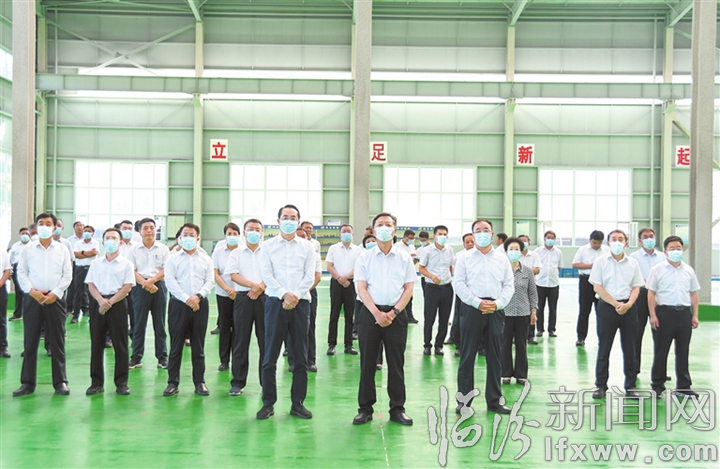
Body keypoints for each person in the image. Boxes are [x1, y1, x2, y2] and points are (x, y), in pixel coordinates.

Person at [353, 212, 416, 426]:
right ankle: (365, 409)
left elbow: (408, 289)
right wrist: (377, 313)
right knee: (367, 363)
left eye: (388, 224)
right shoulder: (364, 257)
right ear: (373, 230)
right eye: (380, 224)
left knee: (396, 363)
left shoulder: (404, 258)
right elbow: (361, 288)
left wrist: (394, 312)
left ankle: (397, 409)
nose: (384, 228)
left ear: (395, 230)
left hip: (396, 315)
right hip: (370, 313)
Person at [256, 205, 315, 420]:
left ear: (298, 222)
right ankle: (268, 403)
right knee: (270, 355)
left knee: (300, 356)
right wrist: (284, 295)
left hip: (301, 303)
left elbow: (310, 275)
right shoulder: (267, 246)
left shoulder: (308, 247)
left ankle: (297, 403)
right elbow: (266, 274)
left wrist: (295, 296)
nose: (289, 220)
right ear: (278, 220)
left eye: (293, 218)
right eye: (285, 217)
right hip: (275, 303)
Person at [453, 219, 514, 414]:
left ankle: (495, 401)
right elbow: (459, 284)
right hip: (472, 309)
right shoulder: (464, 258)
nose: (482, 233)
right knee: (467, 356)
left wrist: (497, 304)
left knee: (495, 357)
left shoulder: (502, 259)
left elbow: (509, 285)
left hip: (495, 309)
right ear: (472, 235)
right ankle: (464, 402)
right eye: (478, 230)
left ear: (492, 234)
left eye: (485, 230)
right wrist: (477, 302)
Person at [13, 213, 73, 397]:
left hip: (55, 299)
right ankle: (27, 383)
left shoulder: (62, 249)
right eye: (41, 223)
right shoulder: (28, 249)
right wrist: (32, 292)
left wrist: (56, 293)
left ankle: (60, 382)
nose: (45, 226)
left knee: (57, 341)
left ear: (54, 228)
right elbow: (21, 273)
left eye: (48, 223)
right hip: (33, 298)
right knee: (30, 341)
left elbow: (67, 275)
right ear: (36, 227)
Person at [589, 229, 644, 399]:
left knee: (630, 348)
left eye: (621, 239)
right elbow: (597, 287)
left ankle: (630, 386)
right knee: (604, 347)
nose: (617, 242)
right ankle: (600, 385)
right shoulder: (600, 262)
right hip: (607, 307)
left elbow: (636, 287)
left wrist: (628, 304)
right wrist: (615, 303)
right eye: (614, 239)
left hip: (629, 307)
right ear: (608, 243)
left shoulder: (633, 263)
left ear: (626, 243)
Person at [163, 223, 214, 397]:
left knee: (198, 345)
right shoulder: (172, 259)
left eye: (192, 235)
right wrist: (187, 299)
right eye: (185, 234)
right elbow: (170, 282)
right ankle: (172, 382)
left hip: (200, 304)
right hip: (178, 305)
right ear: (180, 238)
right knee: (176, 345)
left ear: (197, 238)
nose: (188, 238)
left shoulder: (206, 259)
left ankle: (200, 382)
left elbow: (210, 281)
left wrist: (198, 296)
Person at [647, 236, 700, 398]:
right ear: (665, 252)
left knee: (683, 351)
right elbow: (651, 293)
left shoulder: (689, 270)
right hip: (664, 314)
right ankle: (657, 385)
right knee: (661, 351)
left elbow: (693, 293)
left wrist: (695, 315)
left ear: (683, 250)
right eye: (672, 248)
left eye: (678, 248)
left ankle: (683, 386)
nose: (675, 251)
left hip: (684, 314)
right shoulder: (657, 270)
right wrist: (653, 315)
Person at [84, 228, 135, 396]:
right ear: (103, 241)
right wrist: (100, 301)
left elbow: (127, 287)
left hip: (118, 304)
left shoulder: (126, 264)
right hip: (98, 304)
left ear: (120, 242)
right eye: (107, 238)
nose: (111, 241)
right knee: (96, 344)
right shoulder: (96, 263)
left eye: (114, 238)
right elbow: (91, 284)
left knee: (120, 345)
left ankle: (121, 383)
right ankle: (96, 383)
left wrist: (110, 302)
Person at [225, 219, 266, 396]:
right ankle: (238, 382)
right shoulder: (237, 253)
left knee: (266, 341)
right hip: (243, 298)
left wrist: (260, 288)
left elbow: (274, 272)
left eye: (257, 229)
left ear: (262, 233)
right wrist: (252, 286)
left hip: (265, 297)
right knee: (240, 340)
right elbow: (233, 275)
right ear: (244, 232)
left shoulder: (268, 251)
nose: (254, 232)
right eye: (250, 229)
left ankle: (266, 382)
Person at [126, 218, 170, 370]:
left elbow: (166, 269)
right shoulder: (133, 250)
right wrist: (145, 283)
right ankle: (136, 357)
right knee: (139, 324)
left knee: (160, 324)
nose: (149, 230)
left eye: (152, 227)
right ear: (139, 231)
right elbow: (131, 270)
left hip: (159, 287)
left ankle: (162, 357)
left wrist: (152, 281)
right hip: (140, 287)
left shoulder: (163, 249)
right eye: (145, 228)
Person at [500, 237, 537, 385]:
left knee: (521, 344)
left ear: (521, 251)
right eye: (511, 249)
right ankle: (506, 373)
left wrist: (533, 312)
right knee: (505, 343)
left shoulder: (528, 271)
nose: (514, 251)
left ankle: (521, 374)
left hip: (523, 313)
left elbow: (532, 293)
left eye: (517, 249)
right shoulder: (502, 270)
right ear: (506, 251)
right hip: (505, 312)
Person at [629, 228, 665, 377]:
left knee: (660, 334)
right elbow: (632, 277)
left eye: (651, 236)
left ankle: (660, 370)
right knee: (637, 333)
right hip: (641, 294)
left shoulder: (663, 257)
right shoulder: (633, 257)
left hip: (659, 296)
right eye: (645, 237)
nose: (649, 239)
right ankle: (634, 368)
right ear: (640, 240)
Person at [418, 225, 455, 356]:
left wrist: (448, 277)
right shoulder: (427, 250)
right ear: (434, 236)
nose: (442, 236)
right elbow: (421, 268)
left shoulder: (449, 250)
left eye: (445, 234)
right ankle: (427, 345)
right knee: (429, 318)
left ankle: (439, 345)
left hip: (447, 288)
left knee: (444, 319)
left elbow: (450, 266)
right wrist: (432, 276)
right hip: (432, 288)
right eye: (440, 234)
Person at [326, 224, 362, 356]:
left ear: (352, 234)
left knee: (349, 315)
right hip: (336, 283)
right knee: (334, 314)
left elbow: (359, 267)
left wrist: (346, 278)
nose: (346, 233)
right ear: (340, 234)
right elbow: (329, 266)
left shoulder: (358, 250)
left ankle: (349, 344)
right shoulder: (333, 248)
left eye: (348, 231)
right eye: (344, 231)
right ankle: (331, 344)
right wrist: (339, 278)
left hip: (351, 284)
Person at [289, 227, 322, 372]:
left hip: (308, 293)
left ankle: (310, 360)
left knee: (309, 327)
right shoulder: (289, 254)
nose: (301, 238)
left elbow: (317, 277)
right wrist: (293, 295)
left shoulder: (314, 254)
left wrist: (302, 292)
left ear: (309, 238)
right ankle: (293, 361)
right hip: (289, 296)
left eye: (303, 236)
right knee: (291, 328)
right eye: (298, 236)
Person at [572, 230, 610, 347]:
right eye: (594, 243)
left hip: (601, 282)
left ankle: (602, 339)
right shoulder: (583, 250)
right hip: (586, 281)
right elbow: (575, 264)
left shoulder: (607, 250)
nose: (596, 245)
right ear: (590, 240)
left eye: (599, 243)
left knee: (602, 312)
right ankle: (581, 338)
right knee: (584, 311)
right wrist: (592, 265)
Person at [212, 223, 241, 371]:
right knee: (224, 327)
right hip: (223, 294)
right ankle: (224, 360)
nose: (232, 236)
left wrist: (237, 289)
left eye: (235, 233)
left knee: (239, 327)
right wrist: (228, 289)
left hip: (241, 294)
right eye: (229, 233)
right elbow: (216, 273)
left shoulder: (243, 250)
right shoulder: (218, 251)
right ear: (225, 235)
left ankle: (237, 359)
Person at [446, 233, 476, 356]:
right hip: (463, 293)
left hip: (478, 293)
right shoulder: (460, 256)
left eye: (472, 241)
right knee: (460, 318)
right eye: (467, 242)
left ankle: (481, 347)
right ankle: (459, 345)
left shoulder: (483, 256)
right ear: (463, 244)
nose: (470, 244)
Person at [532, 231, 563, 346]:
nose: (550, 239)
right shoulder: (537, 251)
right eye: (548, 237)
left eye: (552, 237)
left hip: (553, 283)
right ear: (544, 238)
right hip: (540, 283)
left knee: (553, 308)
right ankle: (540, 329)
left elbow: (559, 266)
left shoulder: (558, 252)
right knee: (539, 307)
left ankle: (552, 329)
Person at [71, 225, 99, 323]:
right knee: (78, 292)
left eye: (89, 231)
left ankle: (92, 315)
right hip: (80, 269)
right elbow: (76, 255)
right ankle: (75, 315)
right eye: (85, 230)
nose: (87, 232)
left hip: (91, 269)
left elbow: (94, 253)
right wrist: (88, 253)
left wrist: (82, 253)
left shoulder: (95, 243)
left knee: (92, 292)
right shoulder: (78, 243)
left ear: (93, 233)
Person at [393, 229, 419, 324]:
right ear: (405, 237)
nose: (412, 240)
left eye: (413, 238)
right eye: (410, 238)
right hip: (400, 275)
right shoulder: (397, 246)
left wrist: (415, 259)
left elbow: (413, 262)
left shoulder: (412, 247)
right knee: (400, 296)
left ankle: (409, 316)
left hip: (409, 274)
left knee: (409, 296)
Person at [8, 227, 31, 321]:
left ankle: (29, 313)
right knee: (19, 292)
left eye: (27, 234)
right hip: (17, 268)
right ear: (20, 235)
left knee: (29, 291)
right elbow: (11, 259)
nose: (25, 235)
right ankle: (18, 314)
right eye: (23, 234)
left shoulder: (33, 246)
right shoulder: (15, 246)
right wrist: (10, 272)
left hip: (29, 269)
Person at [0, 248, 11, 357]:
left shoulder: (2, 252)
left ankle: (2, 347)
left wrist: (0, 283)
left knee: (1, 318)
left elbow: (7, 271)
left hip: (0, 289)